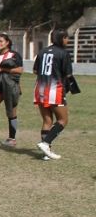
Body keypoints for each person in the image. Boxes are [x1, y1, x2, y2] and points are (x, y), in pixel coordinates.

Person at [33, 28, 74, 160]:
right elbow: (68, 74)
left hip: (40, 89)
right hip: (54, 90)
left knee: (47, 120)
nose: (68, 40)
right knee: (63, 120)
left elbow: (35, 71)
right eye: (67, 38)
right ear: (62, 38)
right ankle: (45, 143)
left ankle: (46, 153)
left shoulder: (42, 51)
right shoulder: (63, 53)